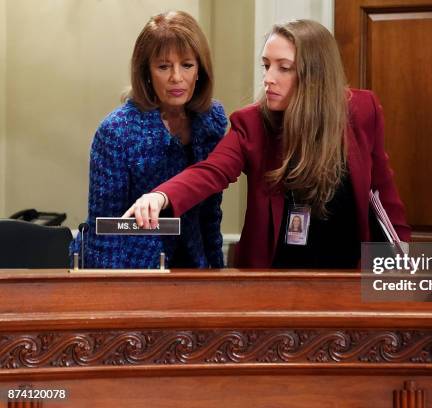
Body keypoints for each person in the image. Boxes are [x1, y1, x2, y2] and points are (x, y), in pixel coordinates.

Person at [125, 19, 410, 268]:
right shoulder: (252, 122)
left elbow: (382, 195)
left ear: (315, 75)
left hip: (347, 275)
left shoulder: (362, 110)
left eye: (284, 68)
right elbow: (212, 170)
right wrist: (161, 196)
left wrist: (403, 260)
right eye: (266, 65)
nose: (268, 79)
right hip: (274, 276)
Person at [70, 11, 227, 269]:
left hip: (192, 264)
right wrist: (111, 296)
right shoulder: (117, 130)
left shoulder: (211, 121)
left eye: (187, 65)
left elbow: (210, 215)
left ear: (200, 70)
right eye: (164, 66)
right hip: (131, 267)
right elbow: (106, 228)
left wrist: (217, 276)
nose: (177, 77)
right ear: (147, 72)